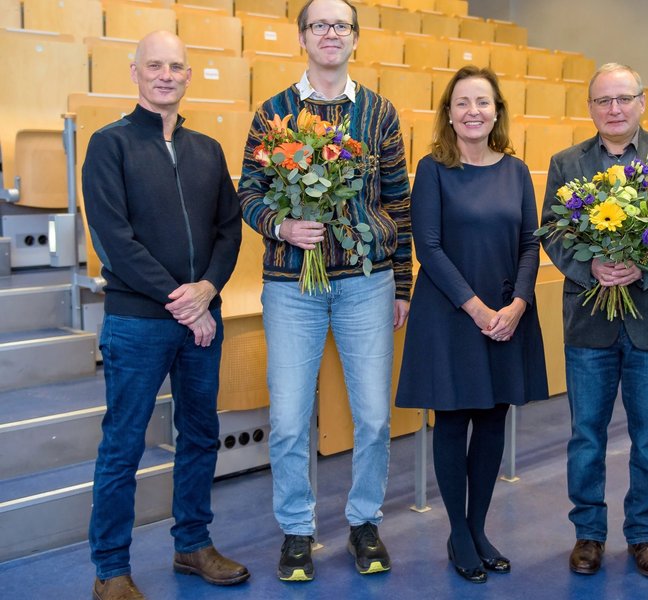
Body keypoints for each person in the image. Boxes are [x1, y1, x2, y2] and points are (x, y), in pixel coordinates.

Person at [237, 0, 411, 582]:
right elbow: (249, 194)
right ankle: (296, 531)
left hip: (367, 284)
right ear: (303, 37)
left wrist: (402, 284)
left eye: (341, 25)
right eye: (320, 25)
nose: (330, 34)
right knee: (288, 420)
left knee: (373, 419)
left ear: (355, 39)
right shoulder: (273, 113)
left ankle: (364, 523)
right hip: (292, 286)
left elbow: (398, 201)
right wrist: (282, 226)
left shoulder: (380, 113)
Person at [82, 30, 246, 600]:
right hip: (139, 320)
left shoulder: (207, 149)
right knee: (123, 444)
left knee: (200, 435)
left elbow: (229, 228)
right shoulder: (110, 144)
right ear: (135, 73)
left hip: (202, 317)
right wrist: (183, 300)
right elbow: (114, 239)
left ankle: (193, 545)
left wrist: (207, 290)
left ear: (188, 75)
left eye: (176, 66)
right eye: (154, 65)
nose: (165, 75)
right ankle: (110, 570)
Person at [541, 63, 648, 578]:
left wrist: (646, 264)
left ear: (641, 102)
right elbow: (551, 230)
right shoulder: (567, 163)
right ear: (589, 108)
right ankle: (588, 533)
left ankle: (644, 535)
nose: (613, 109)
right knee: (586, 434)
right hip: (590, 320)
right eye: (602, 101)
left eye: (623, 99)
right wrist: (589, 265)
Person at [395, 66, 548, 584]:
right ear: (449, 114)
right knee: (455, 419)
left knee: (491, 421)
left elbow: (531, 242)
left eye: (483, 102)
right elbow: (428, 249)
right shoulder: (433, 169)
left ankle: (478, 529)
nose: (473, 112)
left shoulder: (518, 170)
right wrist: (477, 309)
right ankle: (458, 534)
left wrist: (519, 304)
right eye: (462, 103)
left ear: (497, 111)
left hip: (508, 314)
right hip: (452, 314)